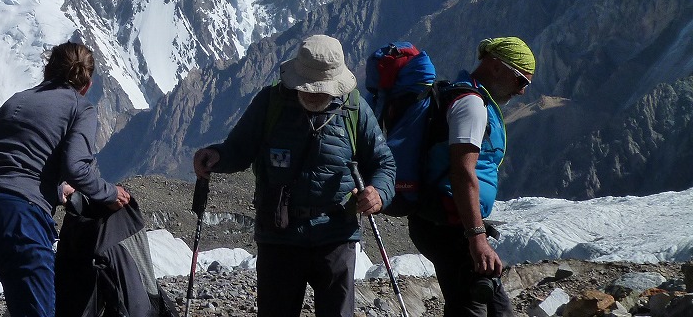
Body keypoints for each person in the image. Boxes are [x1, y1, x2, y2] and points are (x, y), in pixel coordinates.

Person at [192, 34, 395, 317]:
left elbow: (383, 163)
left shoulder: (354, 109)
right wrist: (216, 156)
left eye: (321, 89)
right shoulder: (270, 103)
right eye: (308, 87)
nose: (314, 94)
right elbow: (239, 148)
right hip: (279, 236)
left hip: (336, 234)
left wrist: (379, 193)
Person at [0, 41, 130, 317]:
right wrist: (110, 193)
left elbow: (7, 162)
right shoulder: (80, 107)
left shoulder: (17, 99)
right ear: (87, 85)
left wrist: (55, 189)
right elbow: (76, 166)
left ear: (47, 70)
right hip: (18, 218)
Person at [407, 37, 535, 317]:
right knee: (471, 306)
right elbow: (462, 172)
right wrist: (476, 237)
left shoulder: (471, 99)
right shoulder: (472, 105)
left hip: (448, 222)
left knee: (490, 306)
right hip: (450, 226)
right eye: (521, 81)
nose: (522, 92)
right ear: (497, 67)